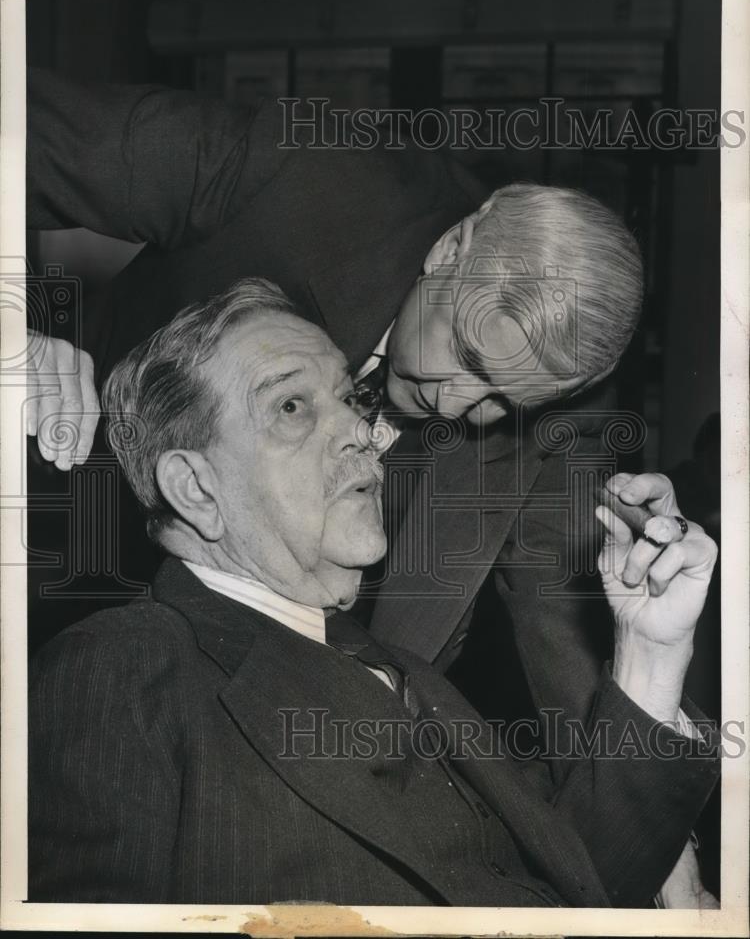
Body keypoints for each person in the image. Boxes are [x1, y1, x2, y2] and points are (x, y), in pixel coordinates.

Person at [28, 278, 718, 906]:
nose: (363, 432)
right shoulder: (121, 667)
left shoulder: (408, 675)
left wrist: (653, 650)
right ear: (196, 489)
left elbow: (579, 891)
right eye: (292, 405)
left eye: (350, 397)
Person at [26, 68, 642, 738]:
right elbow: (22, 128)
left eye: (502, 399)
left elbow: (571, 665)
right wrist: (12, 339)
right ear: (449, 250)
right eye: (467, 356)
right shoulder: (301, 175)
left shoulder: (561, 397)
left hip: (246, 722)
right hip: (45, 528)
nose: (457, 404)